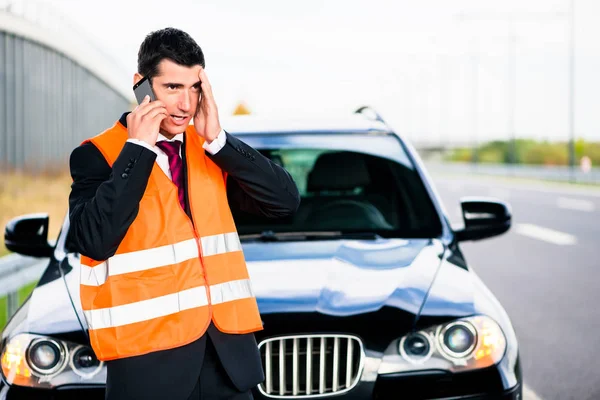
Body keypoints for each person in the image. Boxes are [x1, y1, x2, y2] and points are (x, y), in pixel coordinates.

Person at [67, 27, 300, 400]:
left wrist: (220, 139)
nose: (186, 105)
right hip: (148, 370)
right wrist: (139, 149)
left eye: (195, 88)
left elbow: (285, 202)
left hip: (229, 365)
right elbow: (94, 239)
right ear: (140, 86)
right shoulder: (99, 155)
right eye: (173, 87)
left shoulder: (210, 148)